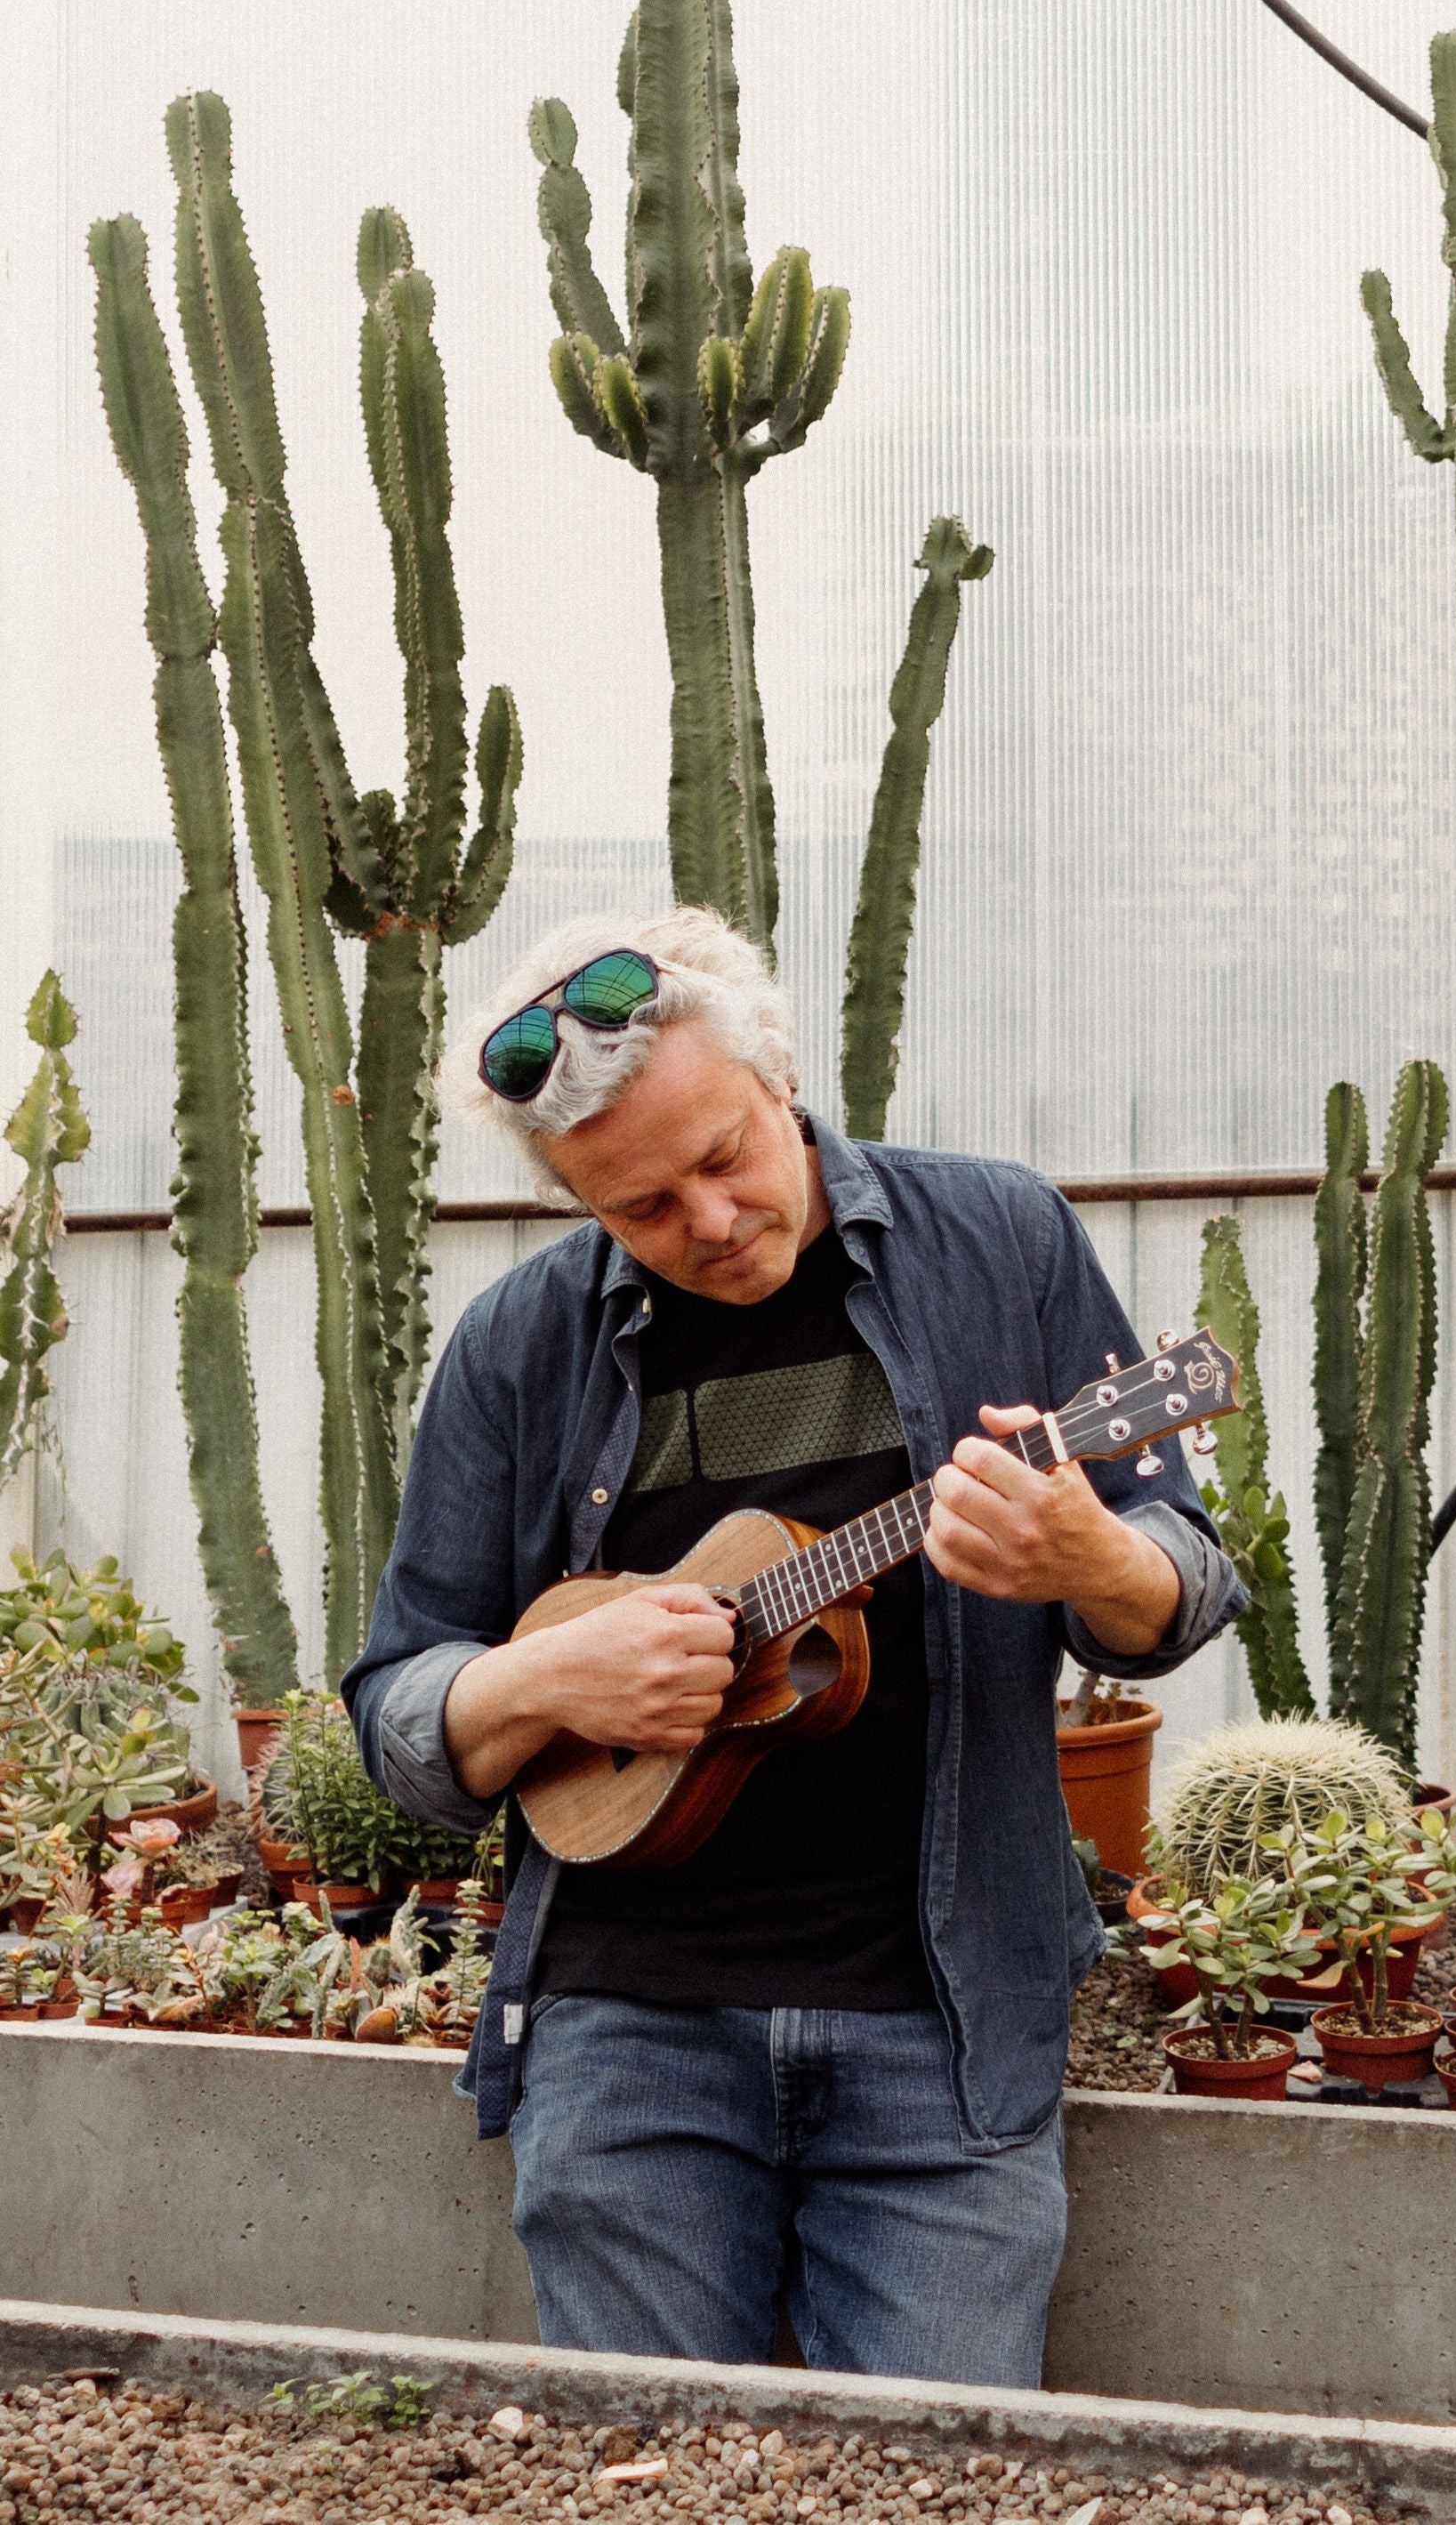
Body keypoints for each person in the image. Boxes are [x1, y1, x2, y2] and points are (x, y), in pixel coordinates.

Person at [344, 906, 1243, 2389]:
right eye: (639, 1207)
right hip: (624, 2028)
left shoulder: (999, 1241)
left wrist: (1089, 1560)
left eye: (724, 1156)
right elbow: (397, 1702)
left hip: (940, 2019)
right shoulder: (516, 1344)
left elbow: (1182, 1582)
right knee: (639, 2474)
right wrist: (543, 1678)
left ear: (781, 1079)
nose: (706, 1221)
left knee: (940, 2476)